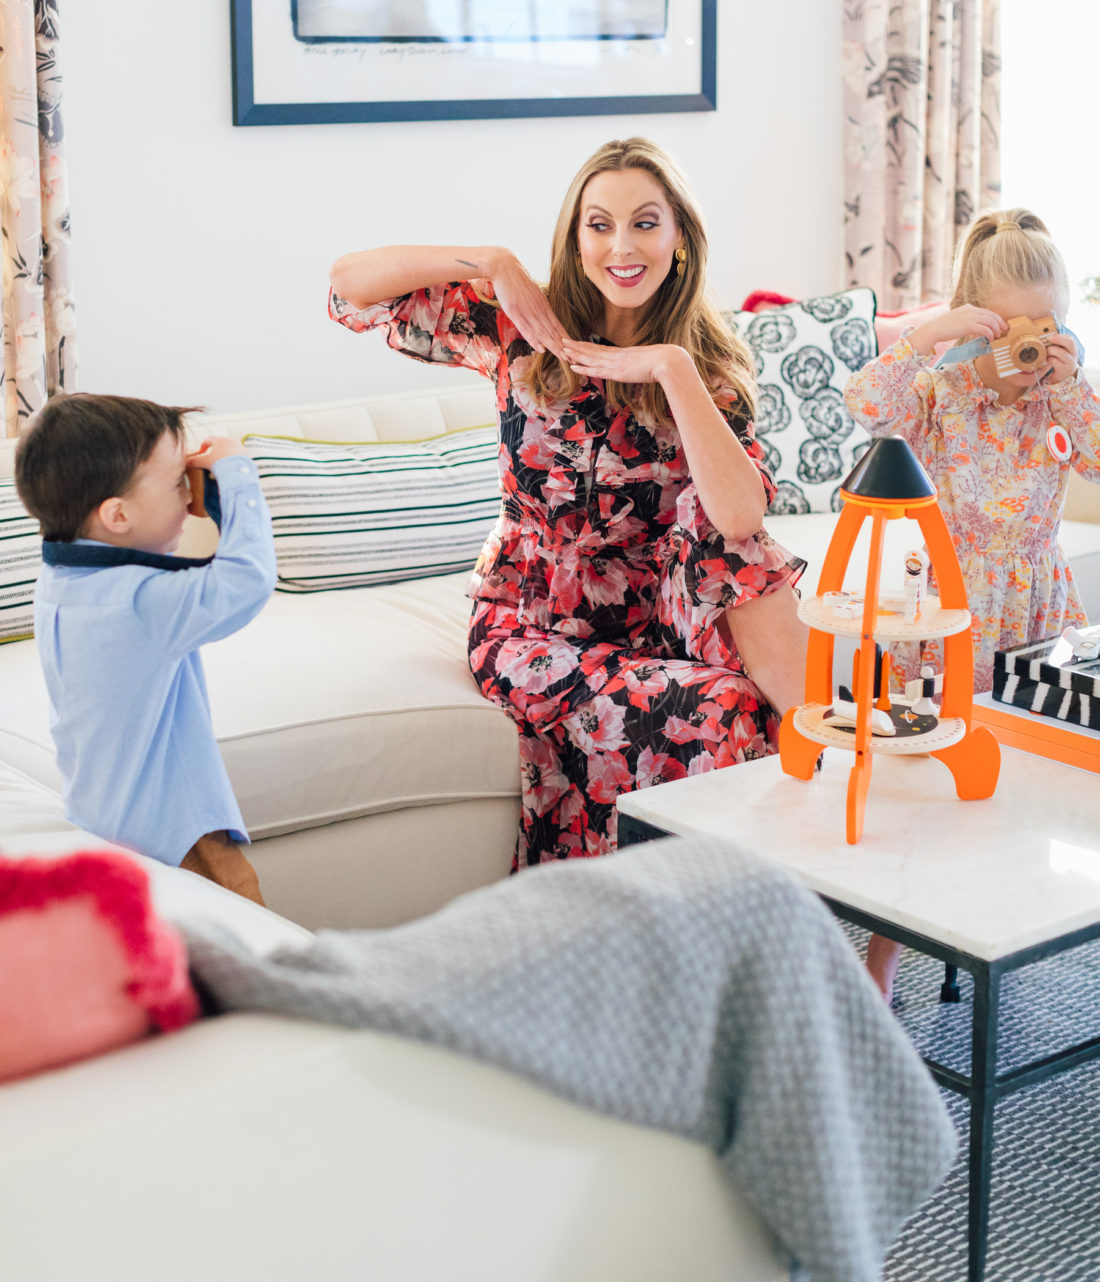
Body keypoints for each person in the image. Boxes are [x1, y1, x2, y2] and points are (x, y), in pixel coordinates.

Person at [329, 136, 808, 866]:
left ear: (679, 237)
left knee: (723, 536)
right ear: (576, 238)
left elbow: (741, 522)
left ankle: (822, 742)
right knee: (726, 709)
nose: (623, 245)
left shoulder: (704, 371)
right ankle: (819, 778)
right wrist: (491, 262)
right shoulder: (522, 329)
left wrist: (671, 369)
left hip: (658, 621)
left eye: (646, 222)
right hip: (532, 624)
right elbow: (347, 287)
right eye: (600, 224)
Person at [844, 208, 1100, 997]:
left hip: (1037, 611)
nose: (1025, 349)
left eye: (1045, 326)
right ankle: (884, 956)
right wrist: (928, 338)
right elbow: (865, 403)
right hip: (946, 614)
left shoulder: (1056, 399)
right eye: (1010, 330)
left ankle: (1008, 919)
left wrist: (1072, 381)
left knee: (1033, 774)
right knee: (927, 783)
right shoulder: (943, 390)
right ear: (976, 321)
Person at [14, 394, 277, 902]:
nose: (187, 497)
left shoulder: (62, 580)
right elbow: (246, 580)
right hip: (177, 837)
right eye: (178, 483)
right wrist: (239, 475)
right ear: (116, 515)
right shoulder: (140, 602)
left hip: (103, 821)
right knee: (254, 951)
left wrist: (206, 497)